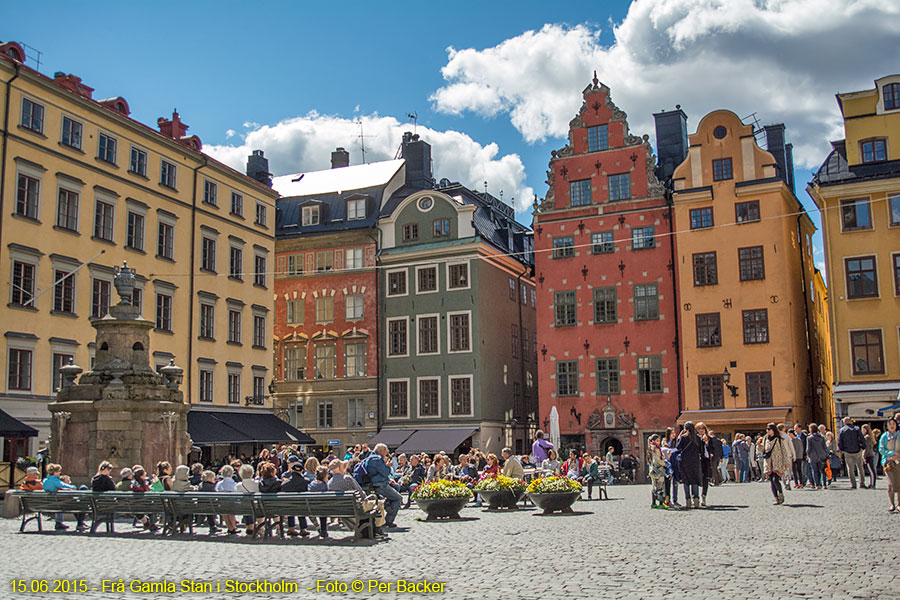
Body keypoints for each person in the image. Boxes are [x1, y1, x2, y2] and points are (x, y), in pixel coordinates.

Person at [364, 443, 403, 529]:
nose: (387, 453)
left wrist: (389, 479)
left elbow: (377, 472)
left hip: (377, 483)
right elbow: (385, 472)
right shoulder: (377, 459)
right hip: (380, 484)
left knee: (396, 487)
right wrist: (388, 466)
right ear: (381, 451)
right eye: (386, 451)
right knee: (398, 498)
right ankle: (388, 520)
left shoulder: (370, 457)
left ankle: (388, 503)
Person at [42, 463, 86, 531]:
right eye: (59, 471)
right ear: (55, 472)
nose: (60, 473)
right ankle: (80, 523)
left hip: (49, 503)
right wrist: (74, 487)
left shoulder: (45, 481)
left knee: (60, 502)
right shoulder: (56, 481)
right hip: (59, 504)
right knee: (77, 504)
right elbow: (65, 485)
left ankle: (60, 523)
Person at [676, 422, 703, 509]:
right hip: (695, 461)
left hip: (685, 461)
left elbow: (678, 447)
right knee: (694, 480)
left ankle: (688, 500)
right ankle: (696, 499)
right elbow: (701, 450)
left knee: (686, 481)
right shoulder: (698, 438)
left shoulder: (683, 437)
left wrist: (679, 437)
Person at [763, 423, 791, 505]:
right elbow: (762, 450)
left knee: (775, 480)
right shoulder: (765, 439)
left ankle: (781, 494)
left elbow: (784, 451)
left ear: (773, 430)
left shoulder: (779, 439)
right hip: (769, 463)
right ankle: (776, 498)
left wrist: (786, 462)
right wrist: (759, 445)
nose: (768, 431)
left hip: (777, 462)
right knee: (772, 481)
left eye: (769, 429)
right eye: (767, 429)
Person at [837, 417, 866, 489]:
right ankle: (862, 483)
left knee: (850, 468)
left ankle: (853, 484)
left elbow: (839, 441)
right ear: (851, 422)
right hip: (857, 450)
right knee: (860, 467)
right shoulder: (857, 429)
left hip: (847, 451)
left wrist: (841, 449)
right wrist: (863, 447)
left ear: (844, 423)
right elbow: (862, 438)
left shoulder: (842, 430)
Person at [878, 418, 900, 511]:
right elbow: (881, 449)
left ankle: (899, 504)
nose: (892, 425)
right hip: (888, 463)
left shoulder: (899, 435)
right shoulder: (884, 436)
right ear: (887, 426)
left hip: (899, 461)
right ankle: (892, 504)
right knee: (891, 484)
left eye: (893, 424)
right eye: (890, 424)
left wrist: (898, 455)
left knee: (899, 483)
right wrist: (892, 453)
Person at [309, 466, 330, 538]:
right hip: (323, 508)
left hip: (311, 508)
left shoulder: (311, 485)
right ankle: (323, 530)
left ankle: (318, 526)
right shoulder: (325, 486)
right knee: (323, 509)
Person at [806, 423, 828, 490]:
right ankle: (824, 484)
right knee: (822, 471)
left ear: (811, 429)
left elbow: (808, 448)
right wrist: (826, 454)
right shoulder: (822, 437)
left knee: (815, 471)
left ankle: (817, 484)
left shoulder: (809, 438)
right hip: (822, 456)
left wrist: (808, 455)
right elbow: (825, 447)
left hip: (813, 456)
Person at [647, 434, 667, 508]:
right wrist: (665, 463)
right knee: (660, 486)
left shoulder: (650, 448)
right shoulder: (656, 448)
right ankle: (661, 503)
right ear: (653, 441)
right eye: (657, 441)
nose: (659, 442)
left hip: (652, 470)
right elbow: (657, 460)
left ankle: (654, 503)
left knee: (654, 486)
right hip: (658, 469)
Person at [696, 422, 712, 507]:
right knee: (697, 479)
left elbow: (712, 450)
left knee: (705, 479)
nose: (701, 430)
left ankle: (704, 496)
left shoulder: (709, 438)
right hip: (698, 461)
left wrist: (707, 443)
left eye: (702, 428)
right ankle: (696, 497)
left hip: (706, 461)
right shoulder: (696, 439)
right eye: (699, 428)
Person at [862, 424, 877, 489]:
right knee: (871, 470)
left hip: (868, 455)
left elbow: (867, 447)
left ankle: (872, 484)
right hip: (870, 454)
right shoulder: (870, 436)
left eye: (863, 429)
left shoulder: (867, 437)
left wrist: (864, 456)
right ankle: (872, 483)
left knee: (871, 470)